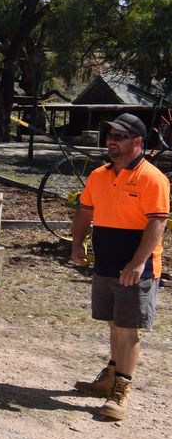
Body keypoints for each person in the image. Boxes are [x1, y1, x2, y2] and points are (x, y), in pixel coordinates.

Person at [71, 112, 169, 420]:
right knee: (114, 324)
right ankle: (111, 377)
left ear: (138, 142)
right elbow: (85, 212)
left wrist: (138, 263)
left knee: (128, 329)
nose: (112, 141)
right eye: (110, 136)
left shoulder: (152, 178)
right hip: (106, 263)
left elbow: (157, 223)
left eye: (120, 137)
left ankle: (121, 392)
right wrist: (76, 244)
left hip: (136, 267)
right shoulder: (99, 175)